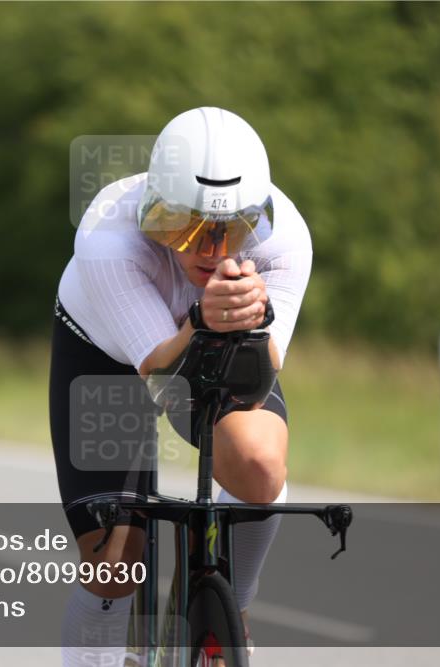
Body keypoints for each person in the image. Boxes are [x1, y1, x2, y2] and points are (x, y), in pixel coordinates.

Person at [51, 107, 312, 666]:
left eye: (229, 231)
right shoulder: (107, 241)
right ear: (153, 210)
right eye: (185, 228)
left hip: (215, 342)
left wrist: (248, 319)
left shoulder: (284, 239)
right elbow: (162, 377)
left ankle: (229, 607)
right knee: (114, 561)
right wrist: (199, 318)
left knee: (261, 466)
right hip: (110, 356)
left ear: (257, 222)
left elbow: (263, 368)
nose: (210, 249)